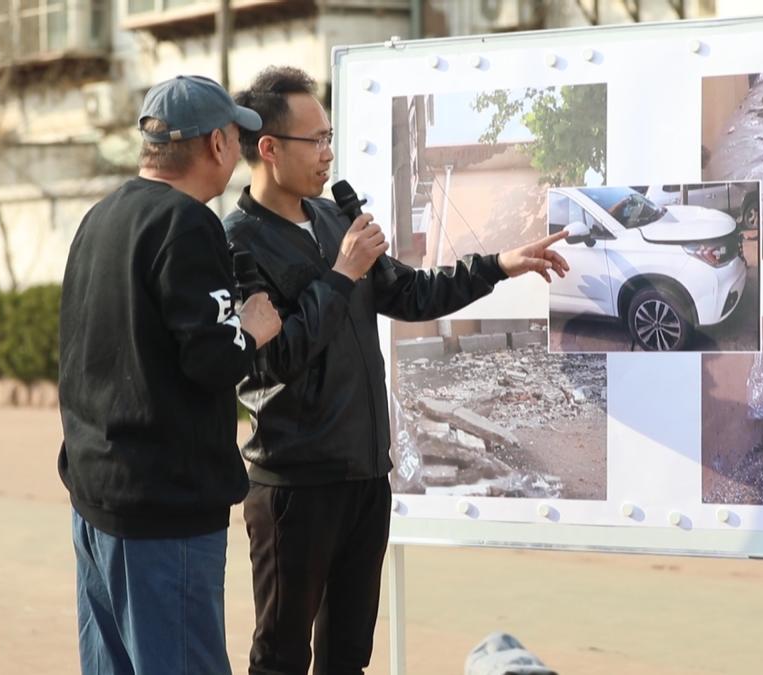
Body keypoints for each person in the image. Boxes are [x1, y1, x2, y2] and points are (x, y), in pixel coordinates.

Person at [223, 65, 570, 675]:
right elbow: (269, 362)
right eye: (317, 141)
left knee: (349, 656)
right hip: (294, 485)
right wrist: (341, 275)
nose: (329, 154)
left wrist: (499, 265)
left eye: (331, 137)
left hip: (363, 475)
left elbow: (412, 295)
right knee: (279, 657)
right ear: (270, 149)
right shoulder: (236, 244)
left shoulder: (335, 221)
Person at [58, 75, 282, 674]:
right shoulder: (186, 223)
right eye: (236, 138)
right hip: (164, 511)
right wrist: (253, 327)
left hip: (97, 496)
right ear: (215, 144)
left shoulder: (101, 217)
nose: (238, 152)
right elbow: (212, 358)